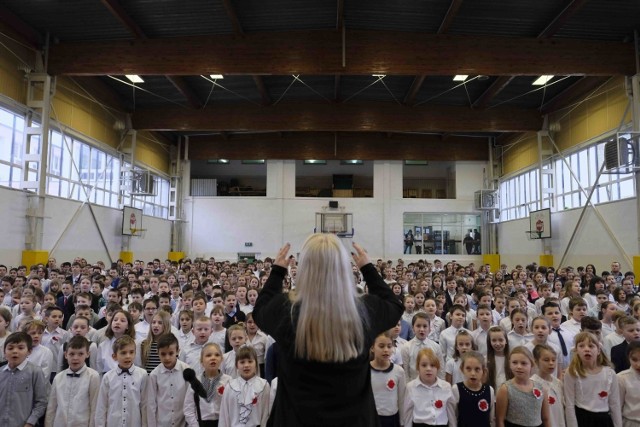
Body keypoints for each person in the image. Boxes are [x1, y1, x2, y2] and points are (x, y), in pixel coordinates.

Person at [253, 236, 403, 426]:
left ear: (304, 269)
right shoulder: (364, 311)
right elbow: (394, 305)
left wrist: (277, 272)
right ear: (343, 268)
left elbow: (260, 310)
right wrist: (368, 268)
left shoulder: (285, 311)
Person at [564, 331, 622, 427]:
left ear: (599, 350)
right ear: (576, 351)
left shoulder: (610, 373)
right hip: (582, 419)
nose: (586, 349)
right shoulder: (572, 373)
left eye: (591, 346)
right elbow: (569, 405)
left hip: (603, 419)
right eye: (581, 346)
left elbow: (615, 403)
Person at [45, 336, 100, 427]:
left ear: (88, 354)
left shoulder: (93, 376)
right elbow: (52, 407)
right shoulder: (58, 377)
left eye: (80, 354)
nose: (75, 358)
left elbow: (95, 407)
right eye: (72, 354)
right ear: (65, 355)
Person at [95, 335, 148, 427]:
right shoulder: (108, 377)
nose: (128, 356)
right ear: (114, 356)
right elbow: (102, 406)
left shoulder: (142, 375)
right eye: (123, 353)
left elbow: (144, 405)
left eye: (131, 352)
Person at [0, 332, 49, 427]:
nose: (15, 351)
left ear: (29, 351)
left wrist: (30, 422)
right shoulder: (1, 372)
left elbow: (41, 402)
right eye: (10, 348)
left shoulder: (35, 372)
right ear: (4, 352)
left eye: (20, 348)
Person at [496, 346, 550, 427]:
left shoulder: (541, 388)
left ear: (531, 364)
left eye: (523, 363)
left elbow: (546, 418)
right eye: (514, 362)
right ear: (509, 364)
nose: (519, 367)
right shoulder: (505, 389)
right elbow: (500, 420)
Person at [218, 346, 270, 427]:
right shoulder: (230, 386)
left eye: (250, 361)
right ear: (236, 365)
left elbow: (266, 414)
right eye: (242, 362)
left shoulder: (264, 385)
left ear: (256, 363)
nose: (246, 365)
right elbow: (224, 415)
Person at [183, 342, 232, 427]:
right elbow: (188, 409)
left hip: (223, 423)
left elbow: (232, 406)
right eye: (208, 355)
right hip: (201, 423)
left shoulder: (228, 381)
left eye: (217, 355)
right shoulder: (195, 382)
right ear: (201, 361)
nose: (213, 358)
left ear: (221, 359)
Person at [403, 347, 453, 426]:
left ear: (438, 368)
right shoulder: (410, 387)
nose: (428, 369)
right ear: (418, 367)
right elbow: (407, 414)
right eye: (424, 365)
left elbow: (451, 414)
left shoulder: (446, 387)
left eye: (432, 365)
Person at [147, 334, 189, 427]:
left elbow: (190, 400)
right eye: (163, 354)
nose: (167, 358)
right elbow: (151, 404)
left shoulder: (186, 370)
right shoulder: (154, 375)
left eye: (171, 353)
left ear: (177, 351)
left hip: (182, 423)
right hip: (162, 423)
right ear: (157, 352)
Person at [446, 351, 495, 427]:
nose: (473, 373)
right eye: (468, 368)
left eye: (477, 369)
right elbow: (452, 419)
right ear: (462, 369)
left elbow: (492, 419)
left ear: (483, 371)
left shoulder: (489, 390)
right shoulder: (456, 389)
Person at [370, 332, 406, 427]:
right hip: (371, 419)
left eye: (389, 346)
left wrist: (402, 422)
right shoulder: (366, 371)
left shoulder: (399, 371)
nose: (386, 350)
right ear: (372, 348)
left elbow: (402, 399)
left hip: (392, 419)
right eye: (381, 346)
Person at [531, 344, 565, 427]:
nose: (551, 363)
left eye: (553, 360)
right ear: (536, 362)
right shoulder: (533, 384)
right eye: (546, 360)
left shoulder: (558, 383)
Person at [617, 341, 640, 427]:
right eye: (634, 359)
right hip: (631, 423)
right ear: (628, 358)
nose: (638, 364)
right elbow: (617, 407)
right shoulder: (621, 378)